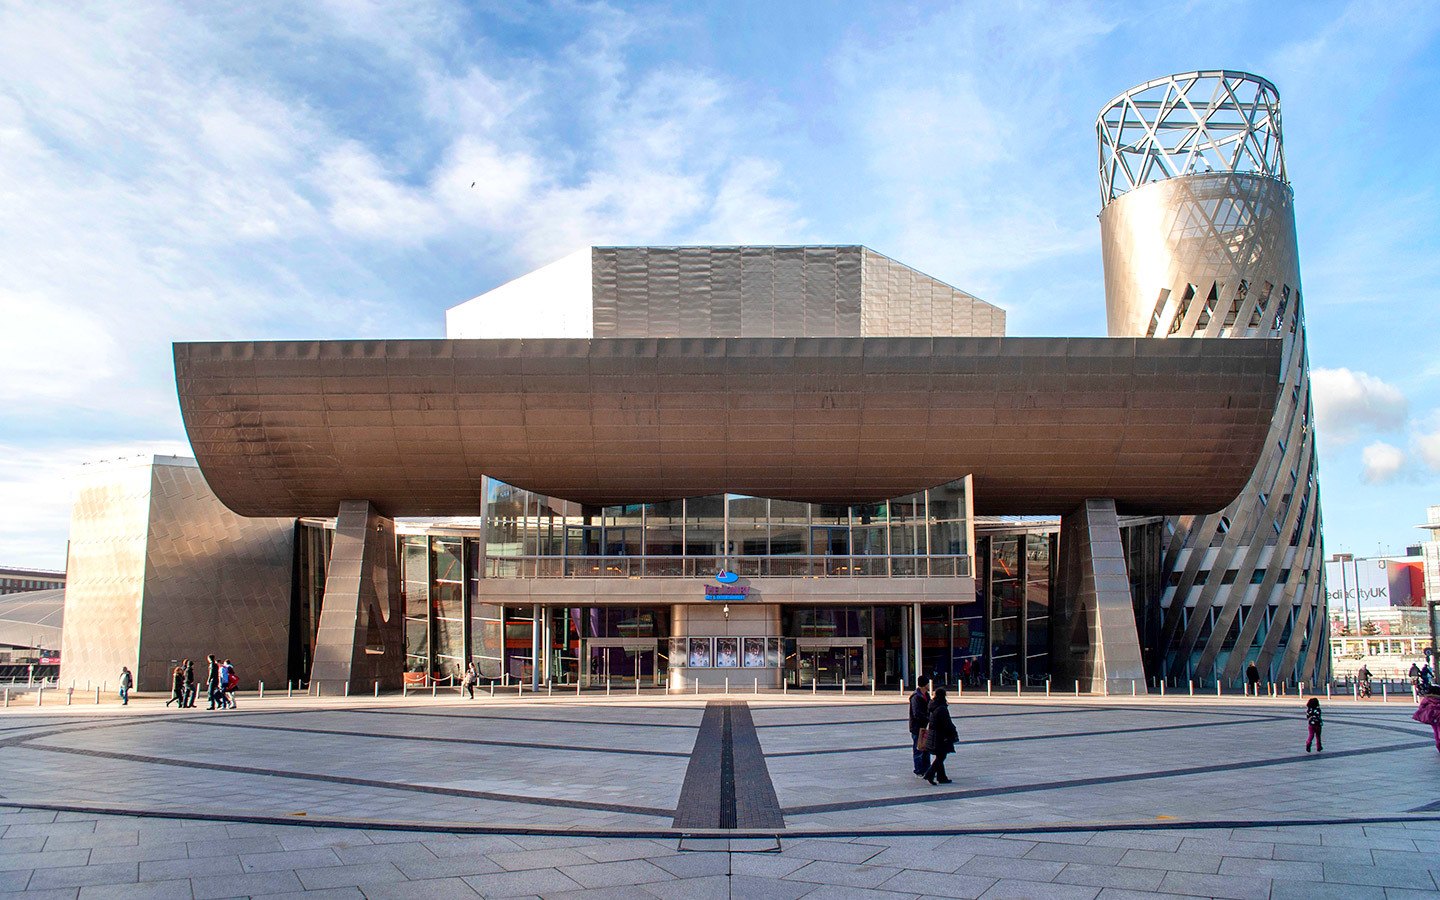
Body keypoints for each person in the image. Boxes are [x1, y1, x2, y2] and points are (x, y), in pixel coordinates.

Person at [922, 687, 958, 785]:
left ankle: (942, 777)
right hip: (940, 735)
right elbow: (947, 723)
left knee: (940, 755)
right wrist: (952, 733)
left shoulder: (933, 705)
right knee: (941, 756)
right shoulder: (941, 708)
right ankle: (930, 774)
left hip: (933, 733)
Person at [908, 675, 931, 777]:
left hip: (925, 726)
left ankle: (927, 768)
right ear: (924, 684)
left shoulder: (927, 695)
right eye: (927, 683)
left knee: (926, 748)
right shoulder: (916, 697)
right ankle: (919, 770)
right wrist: (927, 717)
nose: (929, 685)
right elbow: (916, 713)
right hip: (917, 727)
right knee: (918, 749)